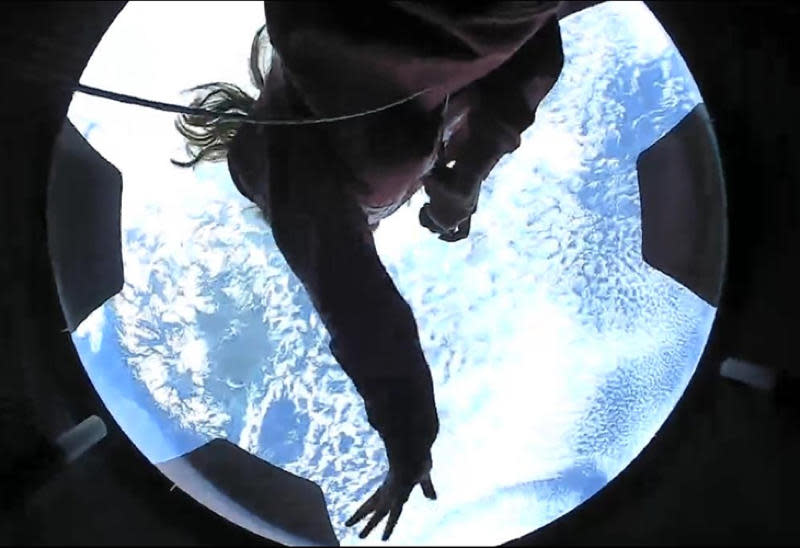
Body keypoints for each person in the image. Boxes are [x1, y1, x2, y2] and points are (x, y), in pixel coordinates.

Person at [173, 2, 565, 540]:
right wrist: (474, 168)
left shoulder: (267, 155)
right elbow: (537, 46)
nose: (375, 220)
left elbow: (357, 303)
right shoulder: (437, 130)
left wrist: (408, 444)